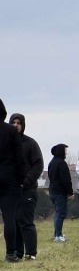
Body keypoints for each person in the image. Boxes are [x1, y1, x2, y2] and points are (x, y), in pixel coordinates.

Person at [10, 114, 43, 260]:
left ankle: (31, 253)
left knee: (25, 222)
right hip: (11, 191)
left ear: (23, 125)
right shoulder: (5, 144)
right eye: (13, 122)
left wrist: (26, 182)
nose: (16, 125)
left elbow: (38, 165)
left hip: (27, 190)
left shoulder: (30, 144)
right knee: (15, 223)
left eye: (18, 123)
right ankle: (18, 253)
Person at [0, 98, 22, 262]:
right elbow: (19, 158)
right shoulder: (11, 131)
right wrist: (20, 180)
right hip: (9, 179)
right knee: (9, 219)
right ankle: (10, 254)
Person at [47, 144, 73, 243]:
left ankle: (57, 234)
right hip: (59, 192)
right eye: (65, 150)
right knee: (61, 214)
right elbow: (66, 179)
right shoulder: (61, 163)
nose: (66, 152)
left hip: (52, 191)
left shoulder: (51, 163)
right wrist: (70, 192)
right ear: (61, 151)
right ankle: (58, 236)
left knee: (58, 213)